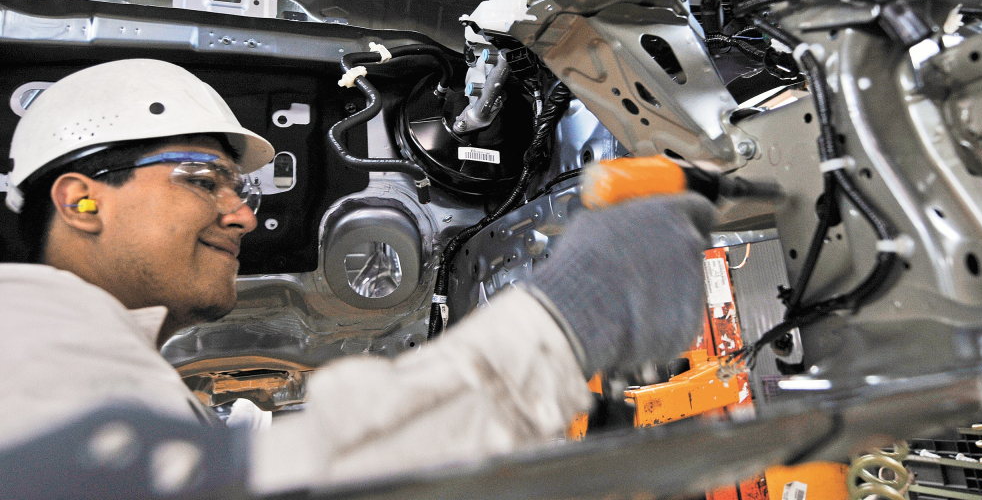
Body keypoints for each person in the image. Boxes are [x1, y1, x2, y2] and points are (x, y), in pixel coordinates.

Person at [0, 58, 713, 492]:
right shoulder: (24, 345)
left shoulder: (101, 366)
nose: (242, 216)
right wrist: (560, 325)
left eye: (239, 191)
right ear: (81, 200)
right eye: (202, 180)